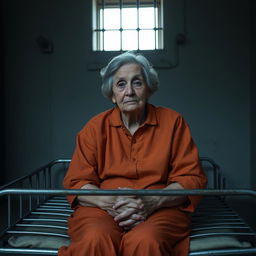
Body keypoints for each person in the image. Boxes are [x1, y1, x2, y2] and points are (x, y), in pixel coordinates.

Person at [58, 51, 207, 256]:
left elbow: (191, 179)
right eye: (121, 84)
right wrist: (111, 201)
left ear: (148, 89)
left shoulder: (173, 122)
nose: (129, 91)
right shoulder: (94, 128)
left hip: (161, 206)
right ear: (112, 94)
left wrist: (152, 201)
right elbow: (76, 181)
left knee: (146, 241)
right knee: (95, 239)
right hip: (102, 207)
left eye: (137, 82)